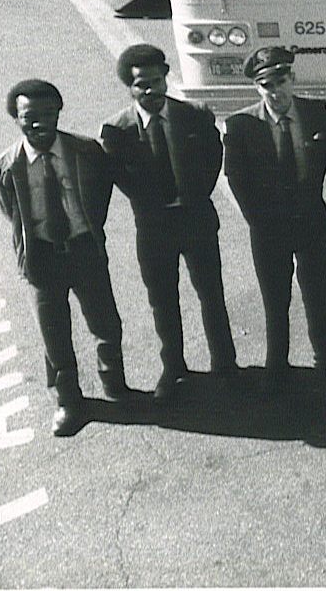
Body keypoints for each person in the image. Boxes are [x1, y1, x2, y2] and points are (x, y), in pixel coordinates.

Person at [99, 44, 238, 403]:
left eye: (157, 81)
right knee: (163, 301)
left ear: (165, 79)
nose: (151, 90)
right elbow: (118, 177)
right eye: (142, 84)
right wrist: (151, 204)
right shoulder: (116, 131)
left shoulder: (194, 115)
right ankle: (174, 367)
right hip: (154, 230)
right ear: (129, 88)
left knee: (211, 295)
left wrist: (195, 194)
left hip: (196, 221)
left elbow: (213, 156)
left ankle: (225, 364)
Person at [0, 79, 128, 436]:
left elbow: (100, 196)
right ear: (16, 119)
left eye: (47, 114)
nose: (39, 123)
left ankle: (114, 383)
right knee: (54, 334)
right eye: (29, 117)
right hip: (42, 258)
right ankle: (69, 401)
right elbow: (13, 213)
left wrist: (86, 229)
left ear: (59, 112)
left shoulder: (86, 152)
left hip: (84, 249)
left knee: (106, 322)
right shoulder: (7, 167)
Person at [223, 46, 326, 387]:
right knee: (275, 297)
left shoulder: (318, 114)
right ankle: (277, 363)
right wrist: (258, 222)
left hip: (310, 219)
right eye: (266, 85)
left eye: (281, 81)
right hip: (268, 226)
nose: (275, 92)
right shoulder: (241, 124)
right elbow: (236, 178)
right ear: (257, 89)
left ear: (293, 78)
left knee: (318, 290)